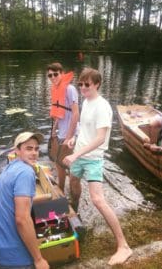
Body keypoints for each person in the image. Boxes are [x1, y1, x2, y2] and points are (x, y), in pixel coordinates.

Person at [63, 68, 133, 266]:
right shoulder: (86, 101)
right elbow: (85, 128)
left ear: (97, 84)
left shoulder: (102, 107)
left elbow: (101, 138)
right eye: (81, 84)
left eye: (88, 84)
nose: (83, 88)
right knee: (73, 183)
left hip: (92, 158)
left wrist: (76, 154)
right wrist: (74, 139)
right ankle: (74, 214)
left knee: (97, 200)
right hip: (78, 152)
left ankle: (124, 246)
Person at [0, 132, 49, 269]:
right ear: (17, 150)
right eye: (29, 148)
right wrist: (39, 259)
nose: (34, 153)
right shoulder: (26, 173)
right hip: (10, 259)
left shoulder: (10, 166)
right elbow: (22, 220)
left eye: (36, 149)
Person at [47, 62, 79, 191]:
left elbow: (76, 114)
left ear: (62, 73)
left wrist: (69, 137)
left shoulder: (70, 89)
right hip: (60, 134)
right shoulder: (55, 90)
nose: (53, 77)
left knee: (72, 170)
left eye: (55, 74)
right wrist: (54, 130)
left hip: (71, 136)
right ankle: (60, 191)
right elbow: (59, 113)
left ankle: (73, 200)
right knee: (58, 163)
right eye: (50, 75)